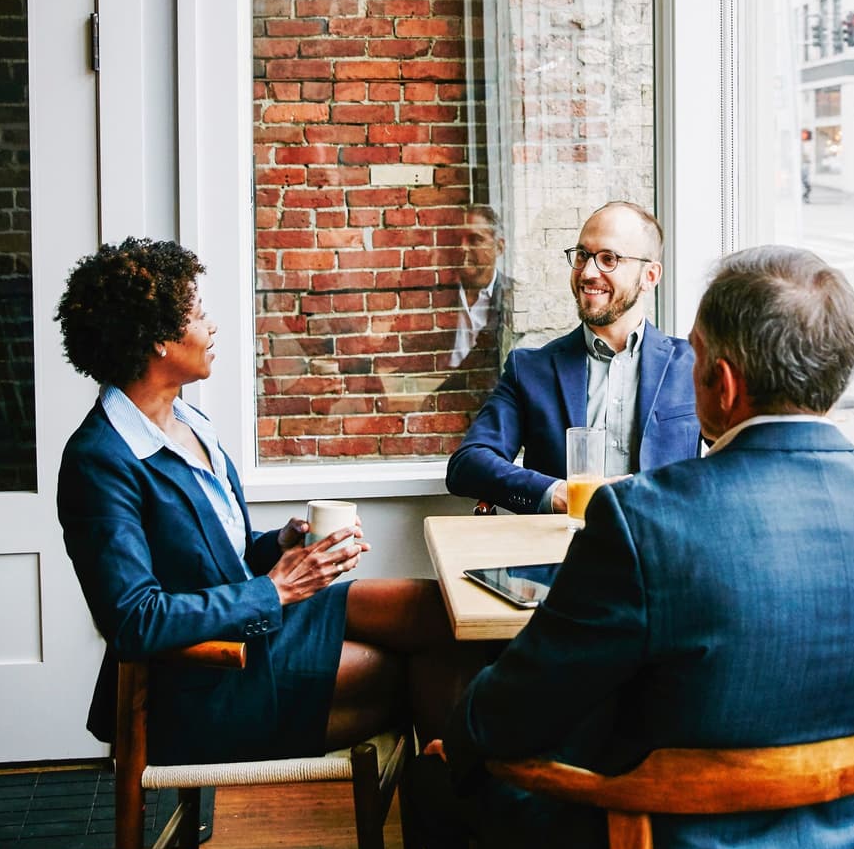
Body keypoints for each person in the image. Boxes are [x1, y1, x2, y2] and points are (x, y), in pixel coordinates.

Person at [436, 245, 854, 849]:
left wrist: (453, 746)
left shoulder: (641, 521)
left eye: (691, 356)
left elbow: (509, 715)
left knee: (448, 781)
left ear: (722, 383)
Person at [54, 238, 476, 768]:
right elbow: (135, 620)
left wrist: (278, 545)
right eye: (199, 315)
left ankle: (455, 787)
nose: (212, 328)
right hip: (207, 677)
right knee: (410, 667)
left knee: (442, 613)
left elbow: (211, 559)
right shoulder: (100, 459)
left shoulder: (188, 425)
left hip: (256, 626)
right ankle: (458, 802)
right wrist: (276, 589)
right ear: (158, 339)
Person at [445, 201, 699, 514]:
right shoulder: (529, 370)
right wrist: (560, 493)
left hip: (667, 556)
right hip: (563, 557)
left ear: (650, 275)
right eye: (582, 256)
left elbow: (743, 454)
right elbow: (468, 464)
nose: (588, 272)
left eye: (608, 259)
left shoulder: (694, 365)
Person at [446, 205, 511, 371]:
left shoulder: (513, 295)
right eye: (457, 240)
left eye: (474, 239)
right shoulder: (437, 297)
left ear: (499, 247)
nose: (463, 247)